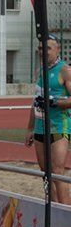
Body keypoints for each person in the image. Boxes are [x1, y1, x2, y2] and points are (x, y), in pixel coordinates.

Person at [25, 34, 71, 205]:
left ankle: (66, 212)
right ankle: (52, 207)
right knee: (45, 172)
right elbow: (35, 101)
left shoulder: (65, 70)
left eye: (48, 48)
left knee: (57, 171)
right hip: (39, 128)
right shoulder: (40, 71)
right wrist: (30, 128)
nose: (43, 52)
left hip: (59, 127)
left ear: (57, 49)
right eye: (40, 48)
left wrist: (55, 102)